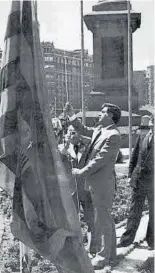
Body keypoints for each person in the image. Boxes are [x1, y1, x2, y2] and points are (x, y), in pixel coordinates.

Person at [64, 102, 121, 269]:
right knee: (104, 220)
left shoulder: (113, 135)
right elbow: (82, 130)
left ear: (110, 115)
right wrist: (72, 116)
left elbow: (100, 160)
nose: (99, 115)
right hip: (96, 184)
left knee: (103, 220)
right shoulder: (100, 130)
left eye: (102, 112)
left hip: (103, 184)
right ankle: (110, 256)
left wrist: (82, 172)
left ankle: (104, 257)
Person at [117, 115, 154, 250]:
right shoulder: (143, 135)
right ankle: (126, 240)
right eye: (151, 124)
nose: (151, 127)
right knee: (134, 211)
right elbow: (135, 155)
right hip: (139, 179)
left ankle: (152, 241)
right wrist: (130, 175)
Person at [58, 126, 96, 255]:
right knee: (71, 221)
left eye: (74, 132)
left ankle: (92, 249)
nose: (71, 135)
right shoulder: (63, 148)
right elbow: (58, 165)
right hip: (70, 190)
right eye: (69, 132)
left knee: (91, 220)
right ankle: (76, 250)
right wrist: (64, 149)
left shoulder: (88, 145)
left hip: (86, 189)